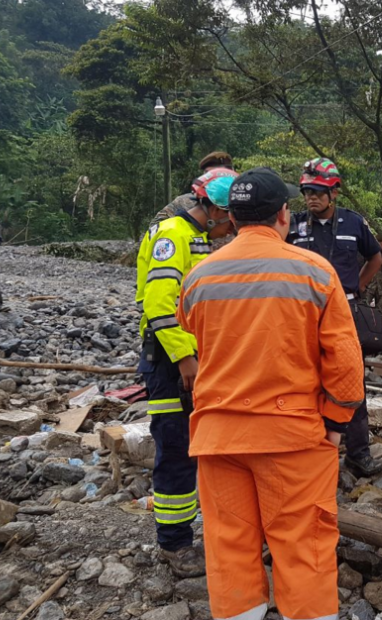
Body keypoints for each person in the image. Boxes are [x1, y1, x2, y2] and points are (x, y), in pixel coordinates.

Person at [177, 167, 364, 620]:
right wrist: (337, 422)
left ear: (233, 218)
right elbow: (344, 361)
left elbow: (193, 335)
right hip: (293, 437)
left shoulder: (199, 277)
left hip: (218, 436)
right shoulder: (315, 272)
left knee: (230, 549)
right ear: (284, 214)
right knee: (303, 547)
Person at [135, 166, 238, 578]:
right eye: (229, 219)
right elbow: (160, 304)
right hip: (169, 361)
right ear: (212, 208)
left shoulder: (194, 238)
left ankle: (200, 528)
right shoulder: (173, 235)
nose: (230, 229)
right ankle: (175, 543)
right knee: (176, 447)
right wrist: (184, 358)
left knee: (200, 443)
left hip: (190, 357)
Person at [287, 156, 382, 478]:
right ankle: (311, 448)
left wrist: (357, 285)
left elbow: (375, 257)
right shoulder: (294, 225)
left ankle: (358, 454)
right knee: (303, 379)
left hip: (344, 312)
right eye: (307, 192)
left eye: (318, 191)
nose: (311, 198)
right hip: (304, 314)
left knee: (350, 381)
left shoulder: (354, 223)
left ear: (334, 193)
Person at [152, 151, 235, 223]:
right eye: (208, 175)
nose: (212, 180)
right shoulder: (183, 202)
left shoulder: (241, 203)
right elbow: (156, 228)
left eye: (218, 175)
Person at [364, 235, 382, 316]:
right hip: (369, 285)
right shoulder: (367, 253)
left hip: (381, 286)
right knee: (363, 304)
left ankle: (379, 324)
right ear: (379, 242)